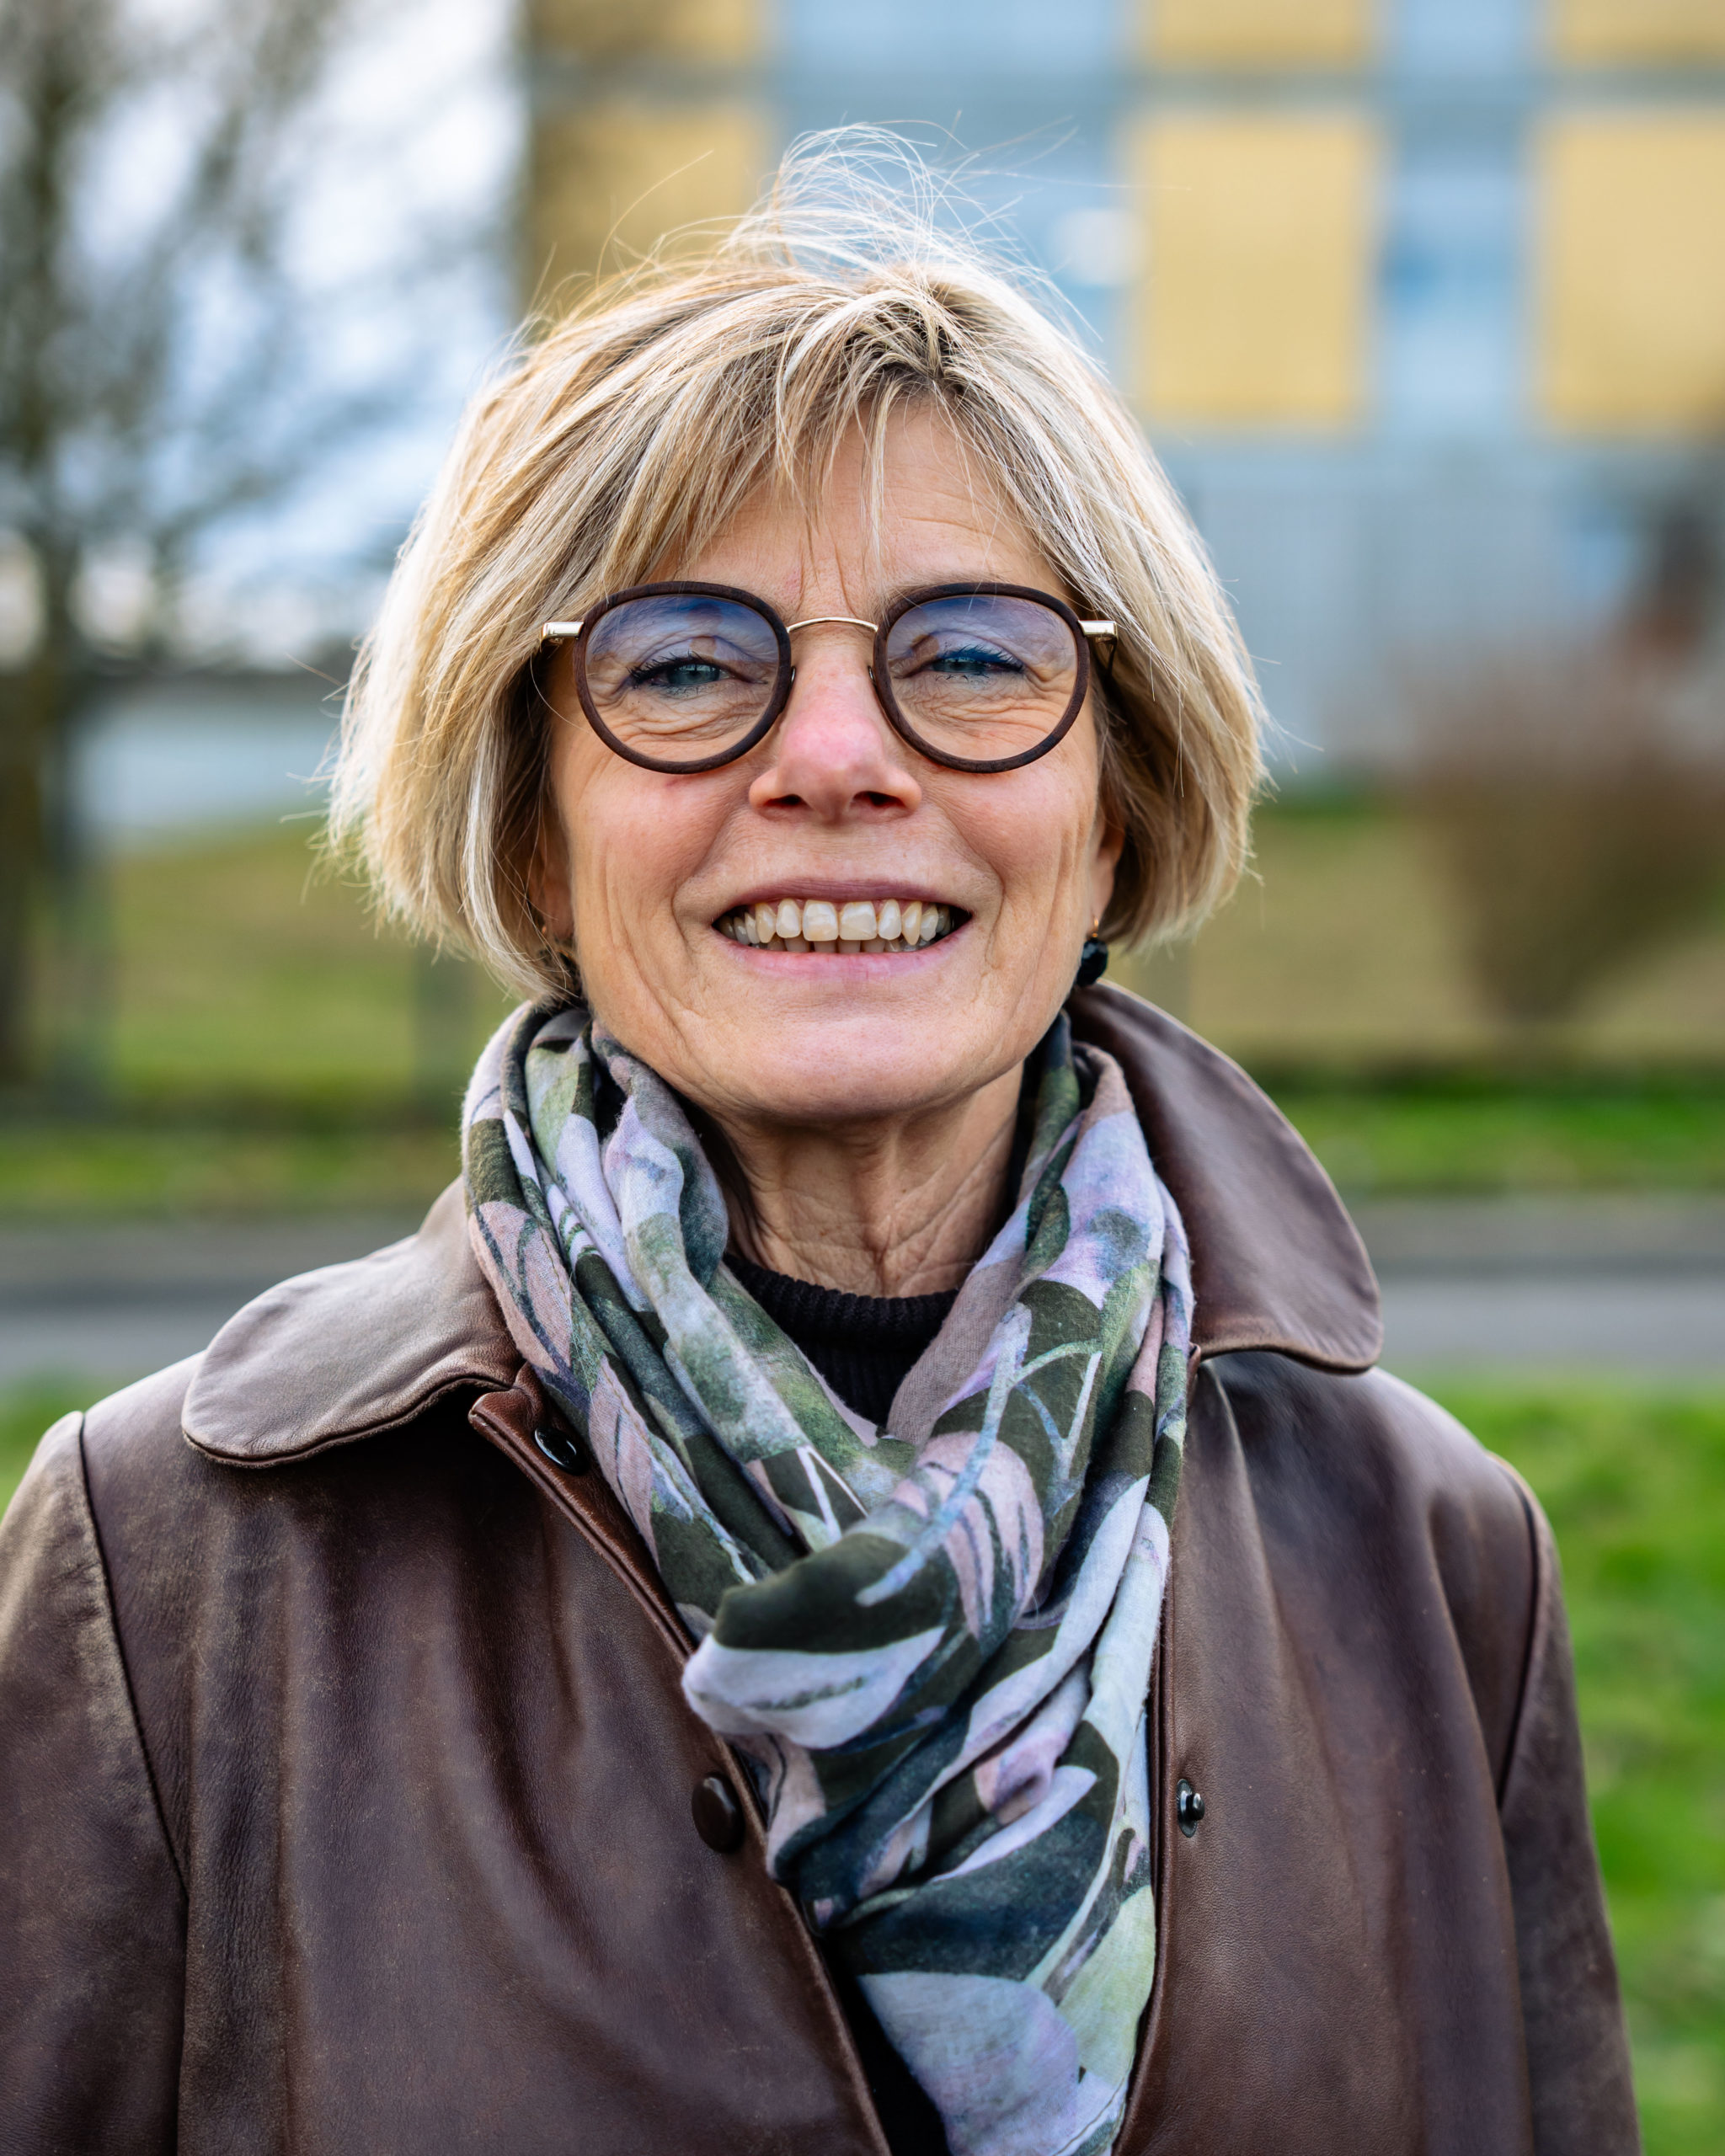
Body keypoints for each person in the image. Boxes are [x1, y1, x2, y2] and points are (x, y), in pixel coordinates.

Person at [0, 144, 1637, 2156]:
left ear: (1114, 809)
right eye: (687, 662)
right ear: (534, 828)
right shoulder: (170, 1572)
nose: (840, 757)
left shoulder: (1435, 1557)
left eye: (973, 655)